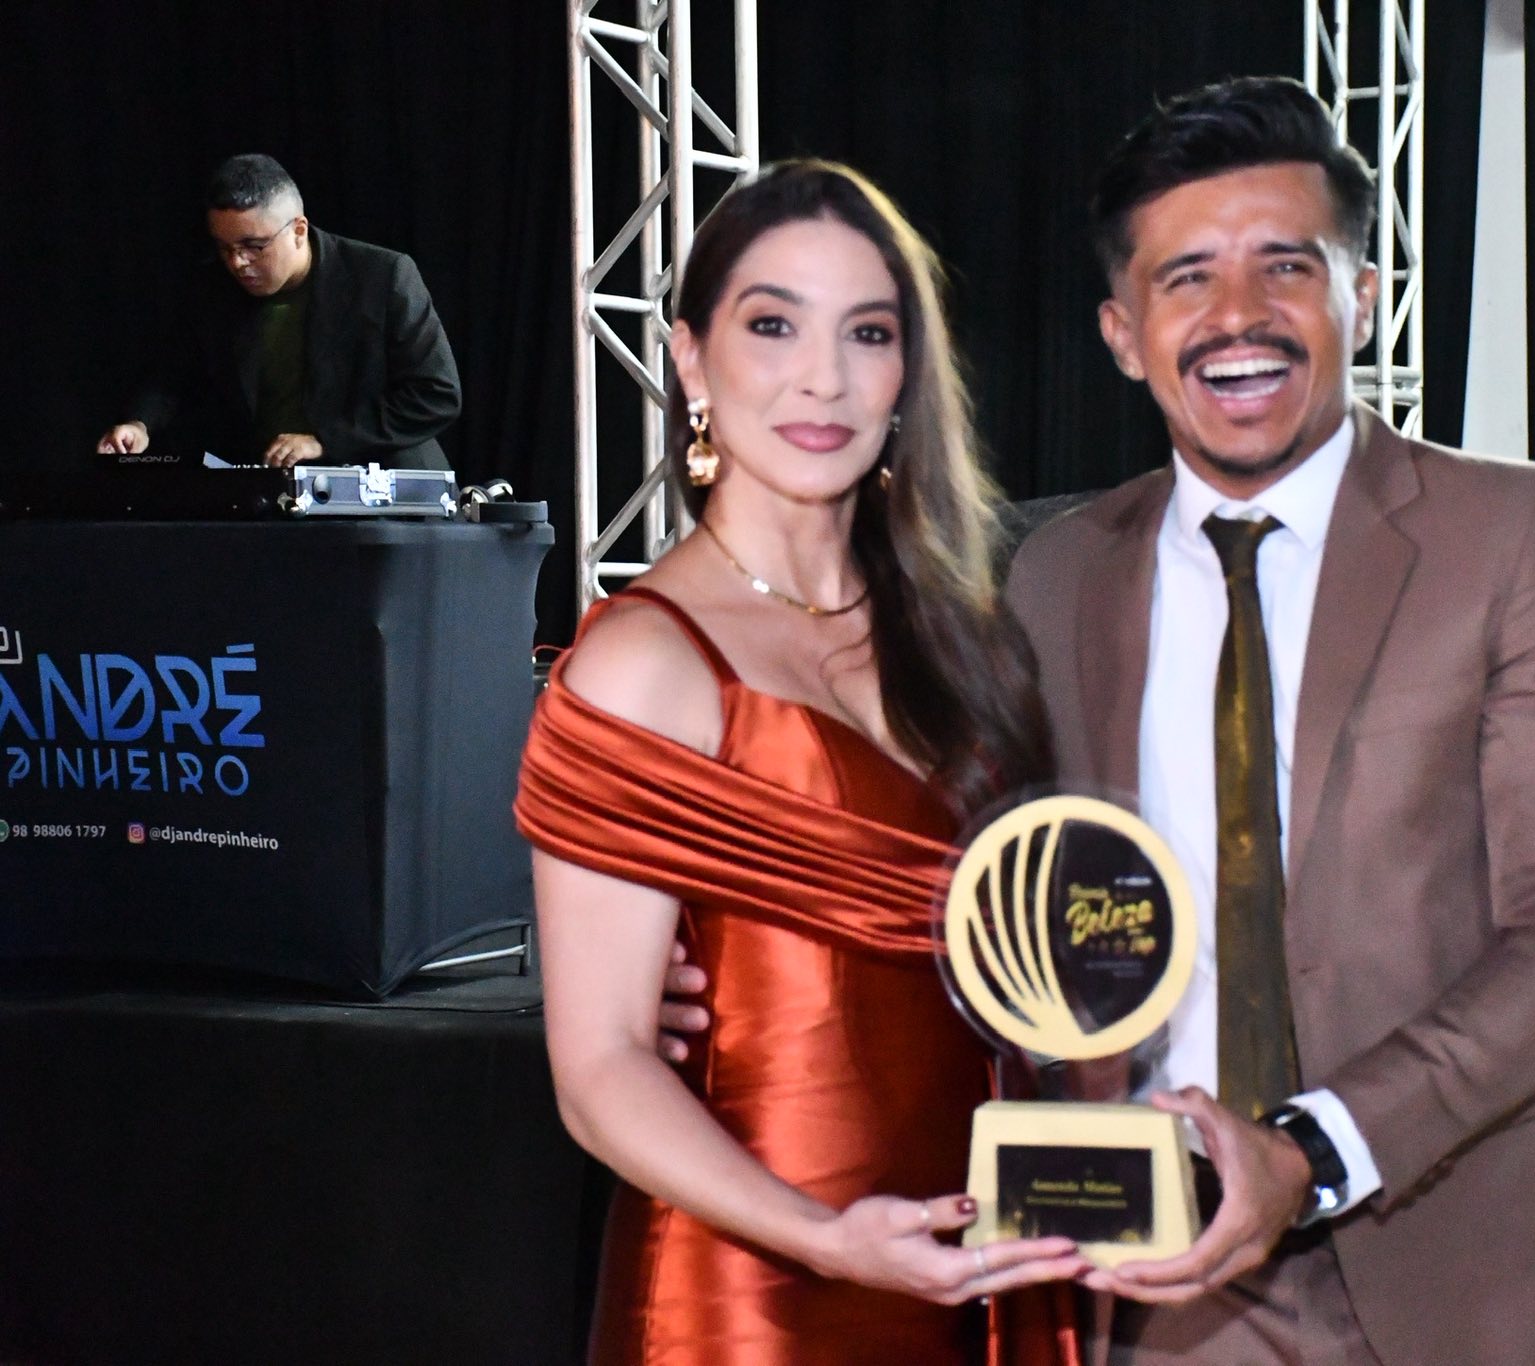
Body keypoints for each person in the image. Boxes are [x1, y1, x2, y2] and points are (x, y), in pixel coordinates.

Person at [997, 77, 1535, 1363]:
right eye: (1186, 277)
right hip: (1167, 1282)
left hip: (1477, 1269)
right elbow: (1019, 901)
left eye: (1285, 266)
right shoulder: (1056, 576)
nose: (1237, 315)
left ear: (1360, 296)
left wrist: (1311, 1150)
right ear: (1121, 332)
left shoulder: (1516, 533)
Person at [515, 160, 1086, 1366]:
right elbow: (600, 1068)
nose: (822, 377)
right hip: (750, 1296)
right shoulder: (643, 664)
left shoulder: (964, 631)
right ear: (689, 359)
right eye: (772, 325)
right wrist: (823, 1239)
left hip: (984, 1258)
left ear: (906, 371)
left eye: (866, 333)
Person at [97, 154, 460, 470]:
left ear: (298, 230)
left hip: (381, 487)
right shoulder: (212, 289)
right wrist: (140, 424)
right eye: (224, 248)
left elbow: (436, 394)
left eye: (254, 246)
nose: (238, 262)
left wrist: (324, 440)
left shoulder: (382, 276)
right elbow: (172, 376)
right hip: (270, 490)